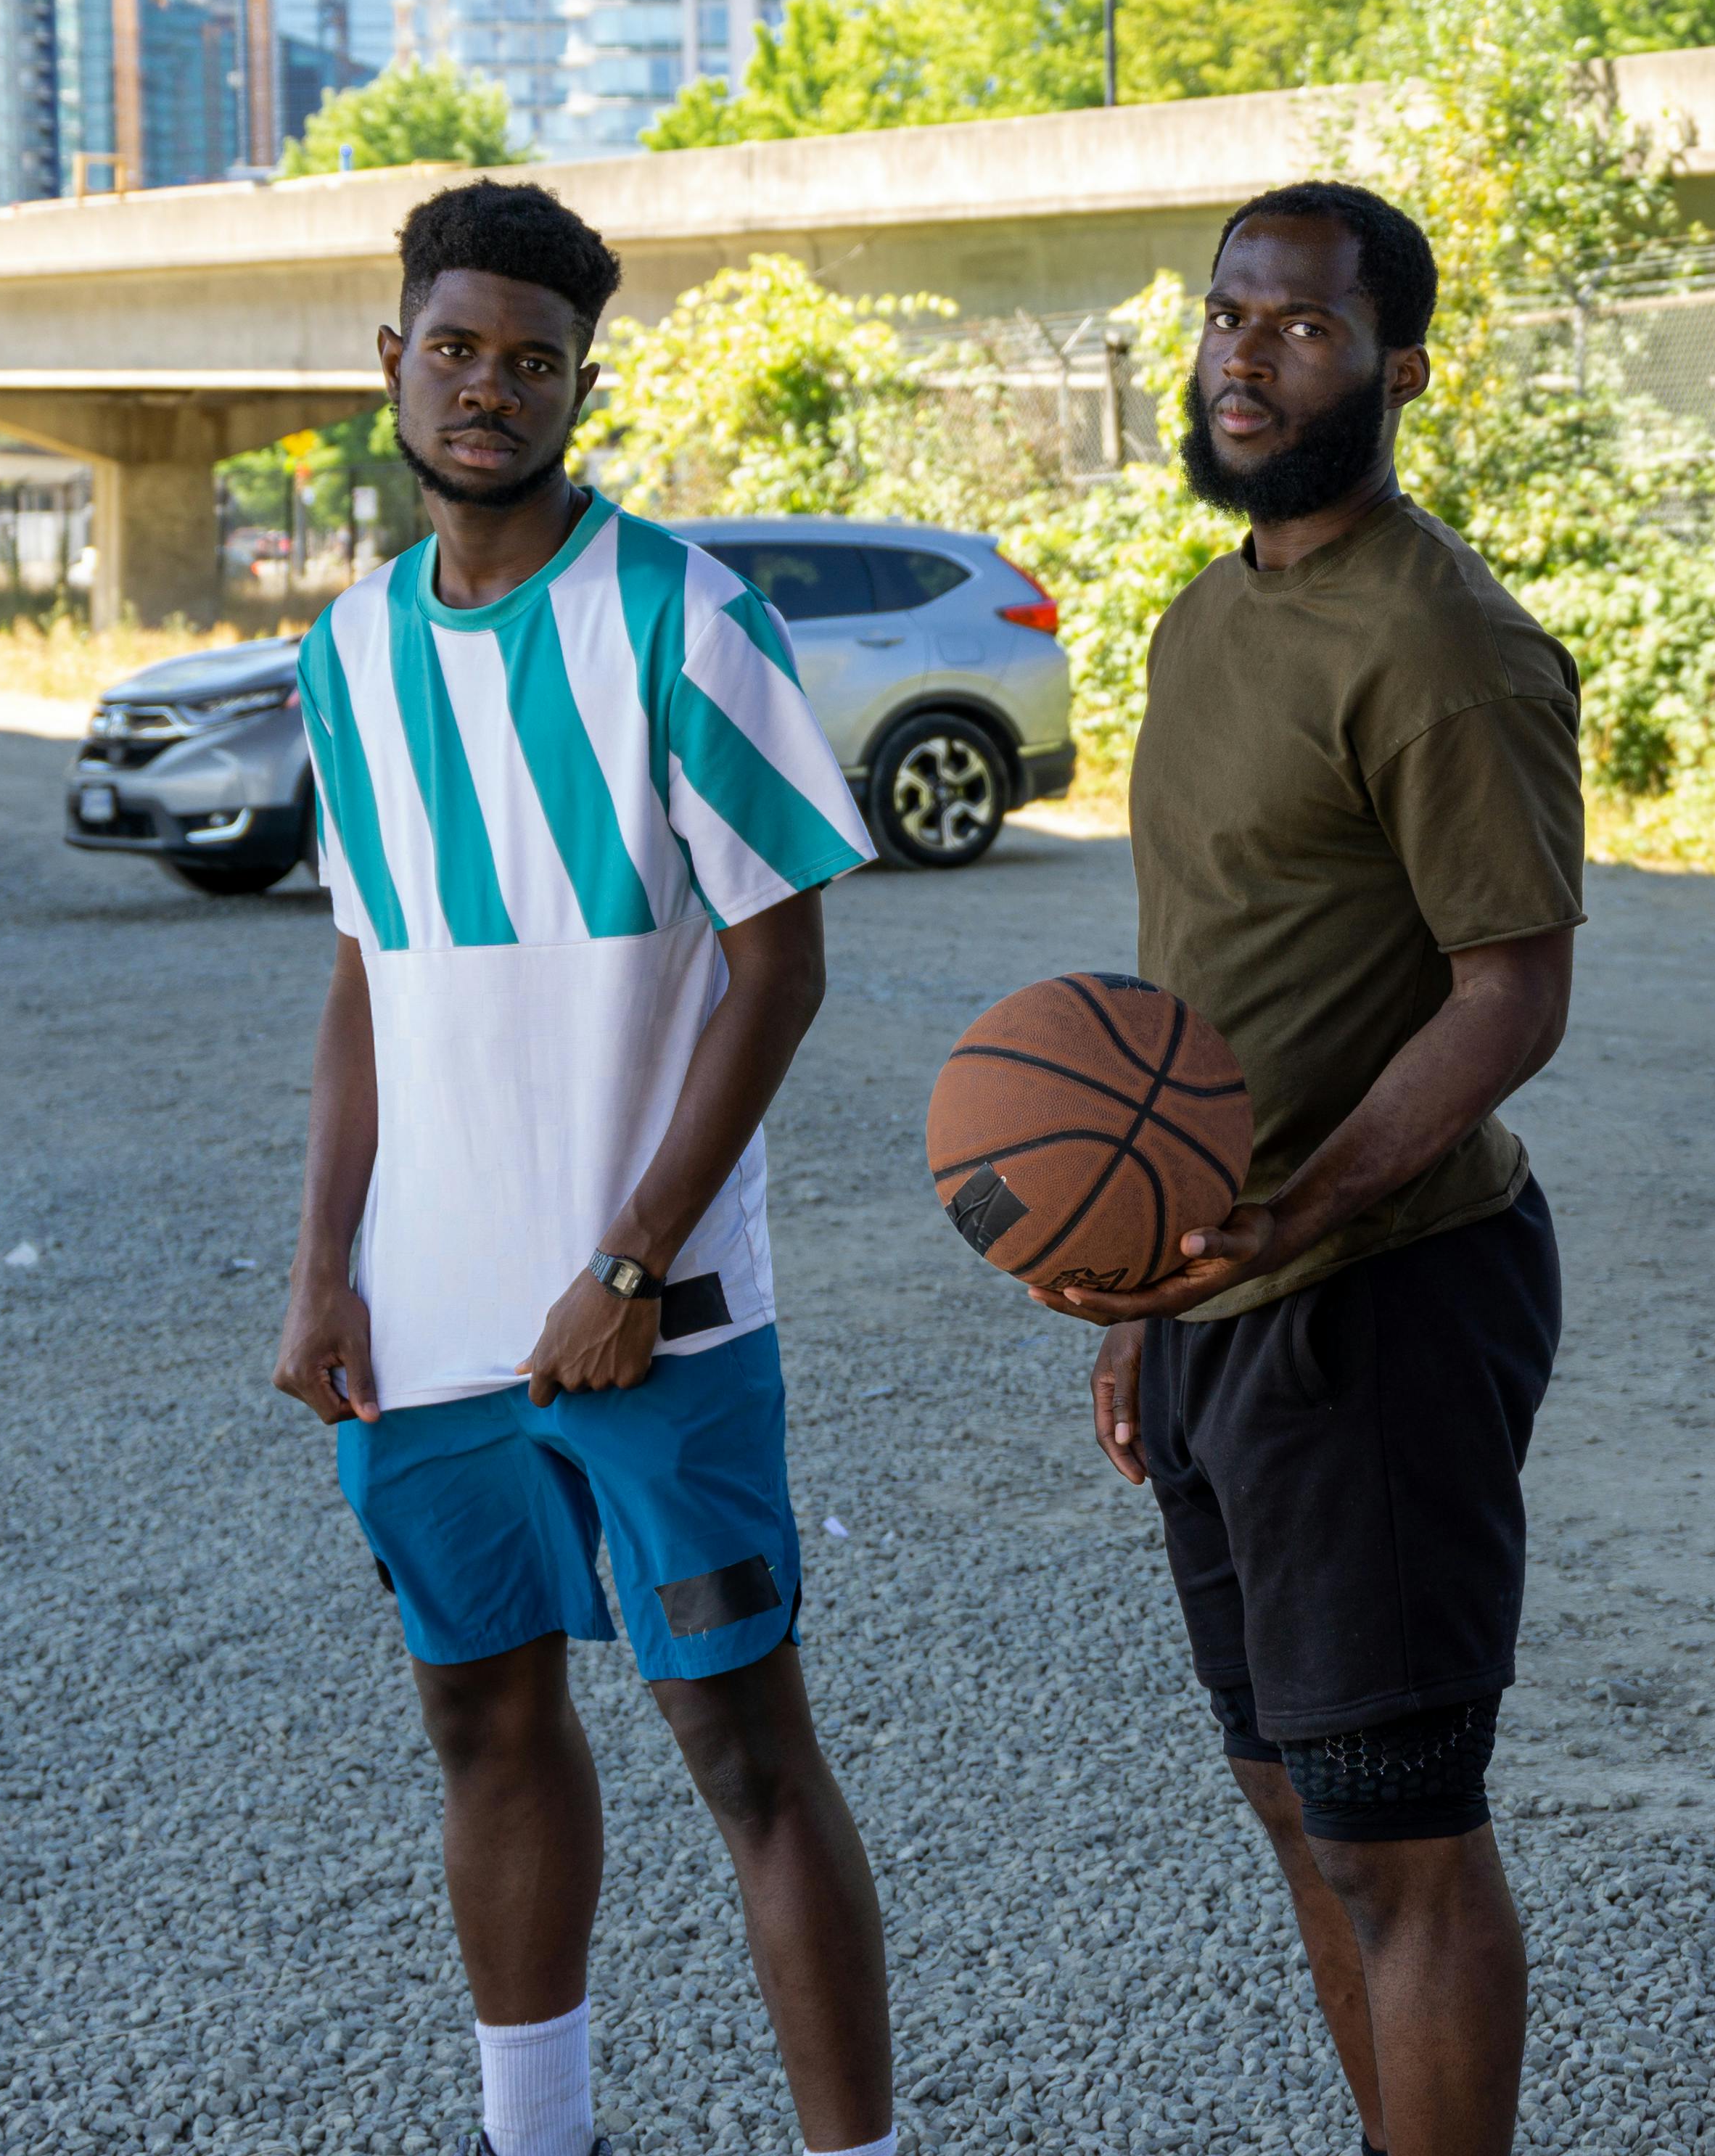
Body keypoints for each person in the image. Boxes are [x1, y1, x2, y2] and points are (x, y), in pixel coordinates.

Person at [271, 181, 897, 2156]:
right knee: (484, 1726)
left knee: (744, 1752)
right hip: (431, 1319)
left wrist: (630, 1268)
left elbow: (782, 968)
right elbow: (365, 979)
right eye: (457, 348)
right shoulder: (345, 654)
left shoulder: (685, 618)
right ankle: (540, 2138)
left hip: (661, 1321)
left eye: (533, 361)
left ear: (579, 386)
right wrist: (318, 1273)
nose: (489, 389)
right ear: (396, 361)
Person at [1044, 180, 1585, 2156]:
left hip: (1384, 1304)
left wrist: (1307, 1206)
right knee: (1297, 1803)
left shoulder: (1445, 645)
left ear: (1399, 367)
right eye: (1226, 317)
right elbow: (1200, 977)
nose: (1248, 358)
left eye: (1303, 327)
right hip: (1221, 1304)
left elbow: (1511, 993)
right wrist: (1145, 1275)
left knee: (1405, 1841)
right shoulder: (1207, 620)